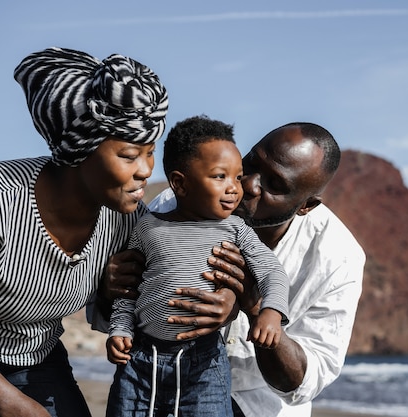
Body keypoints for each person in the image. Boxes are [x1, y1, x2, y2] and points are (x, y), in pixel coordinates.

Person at [0, 46, 168, 417]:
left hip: (41, 358)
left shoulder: (127, 220)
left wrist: (106, 289)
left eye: (150, 153)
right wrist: (10, 403)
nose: (146, 170)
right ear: (78, 150)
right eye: (129, 155)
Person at [113, 122, 363, 417]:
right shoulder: (179, 204)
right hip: (161, 378)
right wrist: (114, 284)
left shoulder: (338, 258)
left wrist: (255, 306)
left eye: (275, 185)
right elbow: (129, 304)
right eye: (252, 163)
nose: (248, 185)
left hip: (260, 403)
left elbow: (303, 383)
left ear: (306, 205)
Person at [105, 115, 289, 417]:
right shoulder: (148, 227)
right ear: (180, 183)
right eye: (220, 177)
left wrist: (271, 312)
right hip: (139, 361)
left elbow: (272, 271)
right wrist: (120, 328)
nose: (234, 188)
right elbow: (129, 290)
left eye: (237, 176)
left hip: (204, 363)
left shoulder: (237, 230)